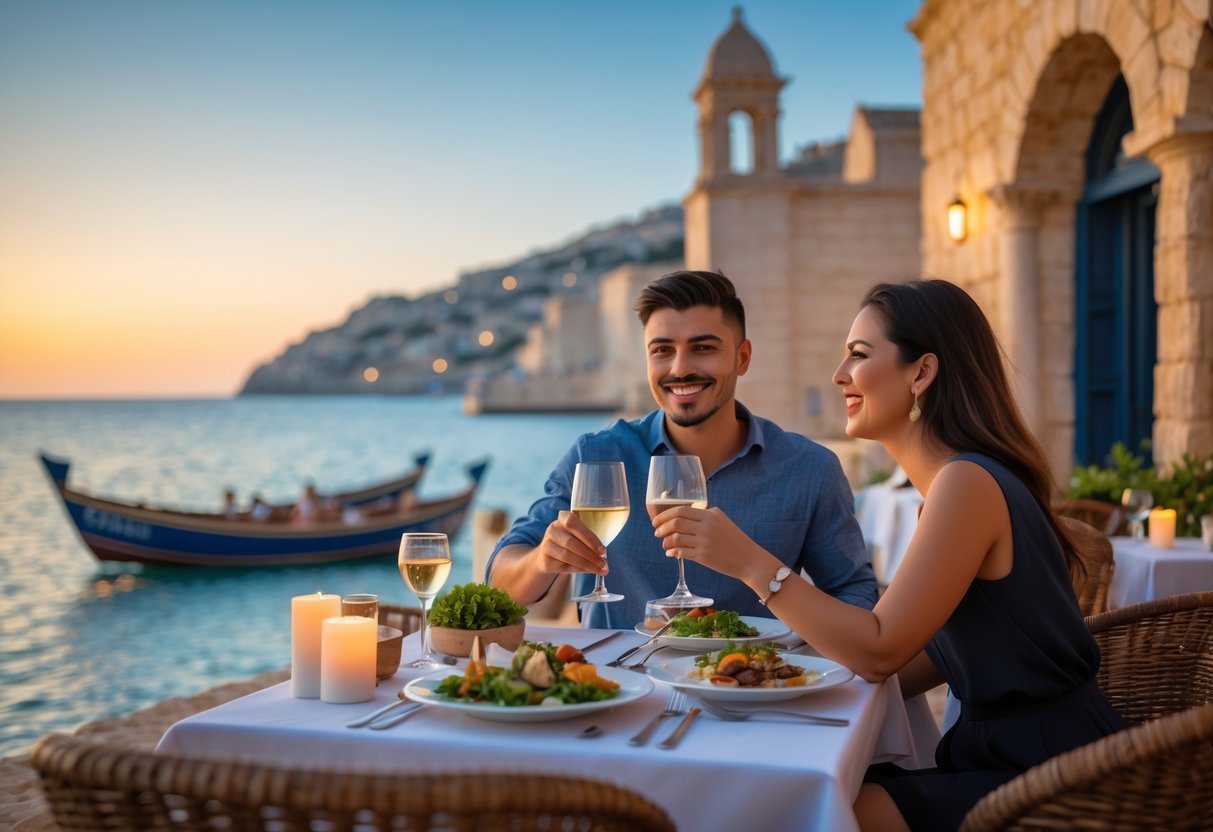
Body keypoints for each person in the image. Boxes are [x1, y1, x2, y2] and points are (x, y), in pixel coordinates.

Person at [657, 279, 1125, 831]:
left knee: (801, 813)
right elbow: (915, 653)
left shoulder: (967, 485)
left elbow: (880, 651)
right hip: (1024, 756)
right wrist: (777, 683)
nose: (839, 375)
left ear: (921, 373)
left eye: (858, 355)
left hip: (1049, 779)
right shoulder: (957, 487)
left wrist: (750, 564)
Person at [486, 269, 877, 629]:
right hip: (617, 689)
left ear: (742, 358)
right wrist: (542, 560)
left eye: (703, 348)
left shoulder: (809, 469)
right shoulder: (597, 454)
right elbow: (500, 583)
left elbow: (856, 598)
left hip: (754, 694)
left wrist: (777, 603)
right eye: (662, 350)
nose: (679, 369)